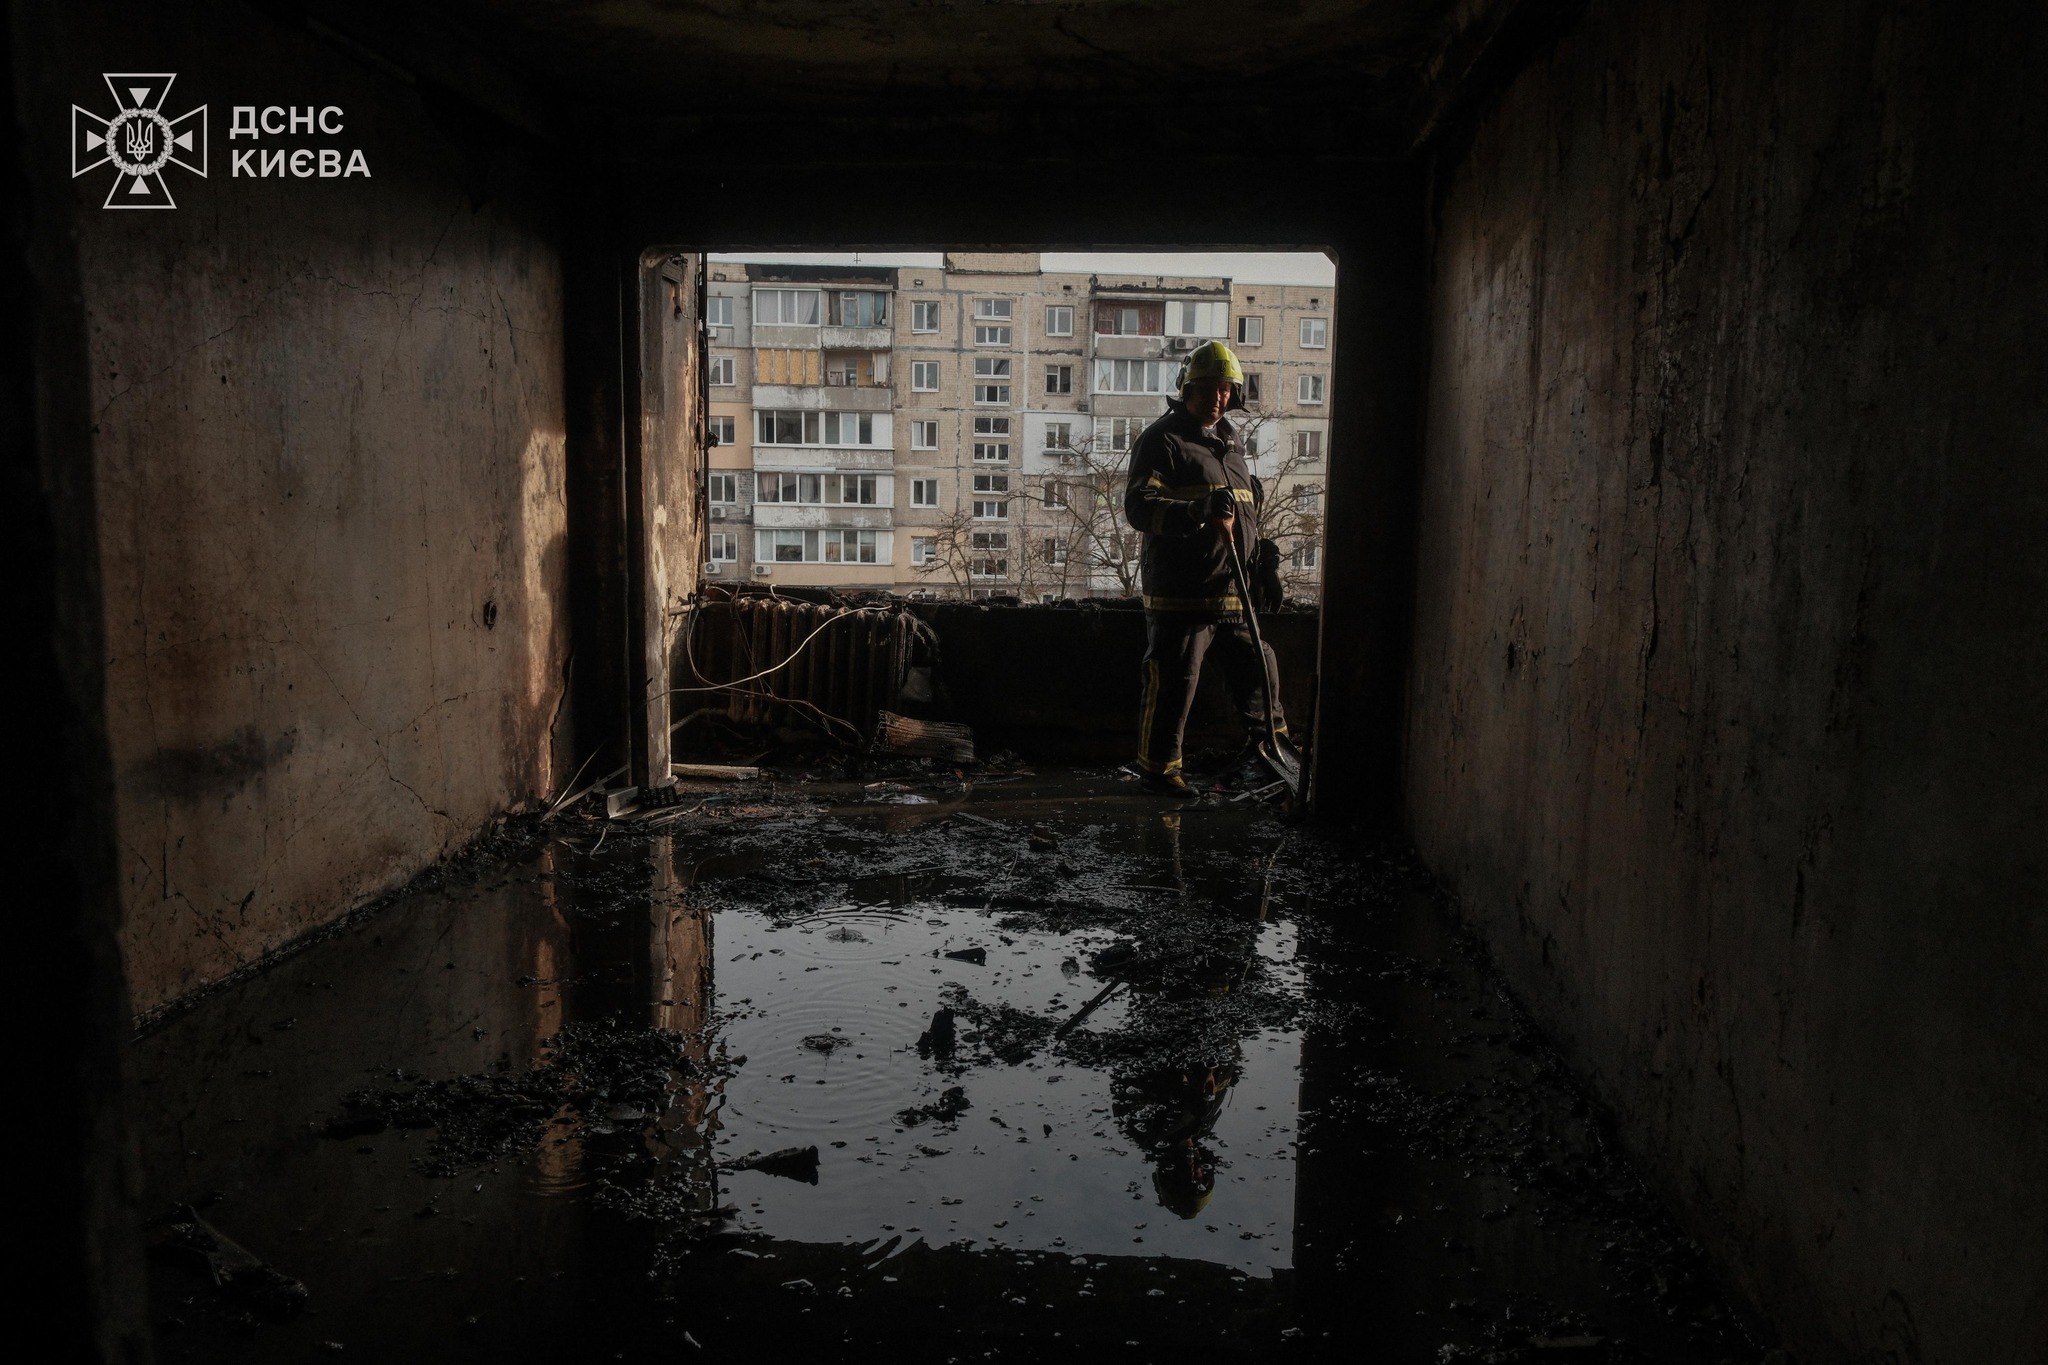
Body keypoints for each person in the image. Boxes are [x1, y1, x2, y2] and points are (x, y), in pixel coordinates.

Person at [1123, 339, 1288, 797]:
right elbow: (1139, 507)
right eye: (1209, 388)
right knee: (1175, 681)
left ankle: (1272, 752)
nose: (1219, 397)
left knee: (1260, 669)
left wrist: (1267, 561)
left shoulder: (1231, 447)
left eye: (1226, 388)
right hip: (1182, 592)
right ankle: (1158, 771)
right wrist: (1195, 512)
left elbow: (1246, 517)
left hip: (1233, 589)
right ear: (1187, 389)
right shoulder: (1164, 440)